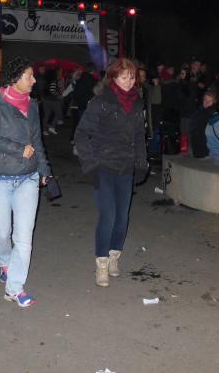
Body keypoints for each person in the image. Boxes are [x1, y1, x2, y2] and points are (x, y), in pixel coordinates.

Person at [0, 57, 51, 308]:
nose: (34, 80)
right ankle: (4, 262)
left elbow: (37, 141)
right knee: (2, 232)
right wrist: (18, 149)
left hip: (28, 178)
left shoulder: (33, 106)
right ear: (14, 78)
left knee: (23, 237)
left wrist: (44, 170)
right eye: (29, 76)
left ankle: (15, 288)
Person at [74, 58, 148, 288]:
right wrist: (90, 165)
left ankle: (115, 257)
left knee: (122, 217)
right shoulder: (100, 101)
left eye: (132, 77)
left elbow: (139, 136)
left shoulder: (137, 103)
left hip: (126, 167)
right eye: (124, 77)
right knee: (108, 215)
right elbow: (81, 134)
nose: (129, 81)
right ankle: (102, 264)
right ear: (113, 77)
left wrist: (141, 163)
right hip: (103, 166)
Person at [189, 89, 217, 159]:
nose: (207, 102)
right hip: (197, 146)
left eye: (209, 101)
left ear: (214, 102)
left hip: (208, 149)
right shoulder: (199, 111)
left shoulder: (214, 114)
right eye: (205, 100)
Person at [41, 68, 63, 136]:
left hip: (45, 100)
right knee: (58, 113)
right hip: (53, 100)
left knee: (46, 115)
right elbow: (52, 91)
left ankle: (44, 130)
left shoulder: (46, 81)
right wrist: (58, 94)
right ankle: (52, 127)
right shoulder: (53, 81)